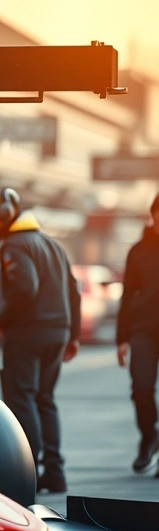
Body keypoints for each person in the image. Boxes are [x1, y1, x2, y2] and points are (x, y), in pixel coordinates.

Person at [0, 187, 80, 494]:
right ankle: (55, 471)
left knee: (21, 398)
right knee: (44, 400)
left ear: (5, 215)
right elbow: (73, 290)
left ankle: (29, 473)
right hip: (57, 332)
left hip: (28, 332)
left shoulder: (13, 246)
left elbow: (25, 288)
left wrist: (1, 321)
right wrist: (72, 335)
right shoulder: (51, 244)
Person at [117, 193, 159, 474]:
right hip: (143, 329)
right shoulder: (138, 251)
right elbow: (127, 294)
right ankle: (149, 437)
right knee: (141, 387)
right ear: (153, 214)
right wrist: (122, 338)